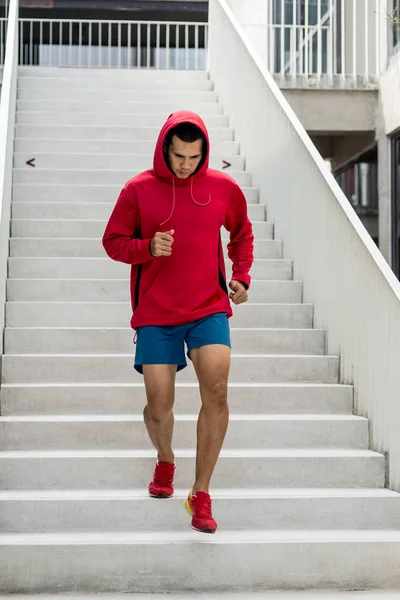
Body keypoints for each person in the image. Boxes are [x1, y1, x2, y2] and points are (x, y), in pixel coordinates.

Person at [102, 110, 254, 534]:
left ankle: (201, 492)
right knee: (159, 406)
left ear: (204, 152)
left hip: (208, 306)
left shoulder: (222, 188)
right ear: (164, 149)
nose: (185, 164)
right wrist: (147, 246)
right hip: (156, 312)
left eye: (193, 156)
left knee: (218, 388)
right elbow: (112, 242)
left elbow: (241, 234)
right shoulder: (138, 190)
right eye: (178, 156)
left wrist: (241, 277)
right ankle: (166, 457)